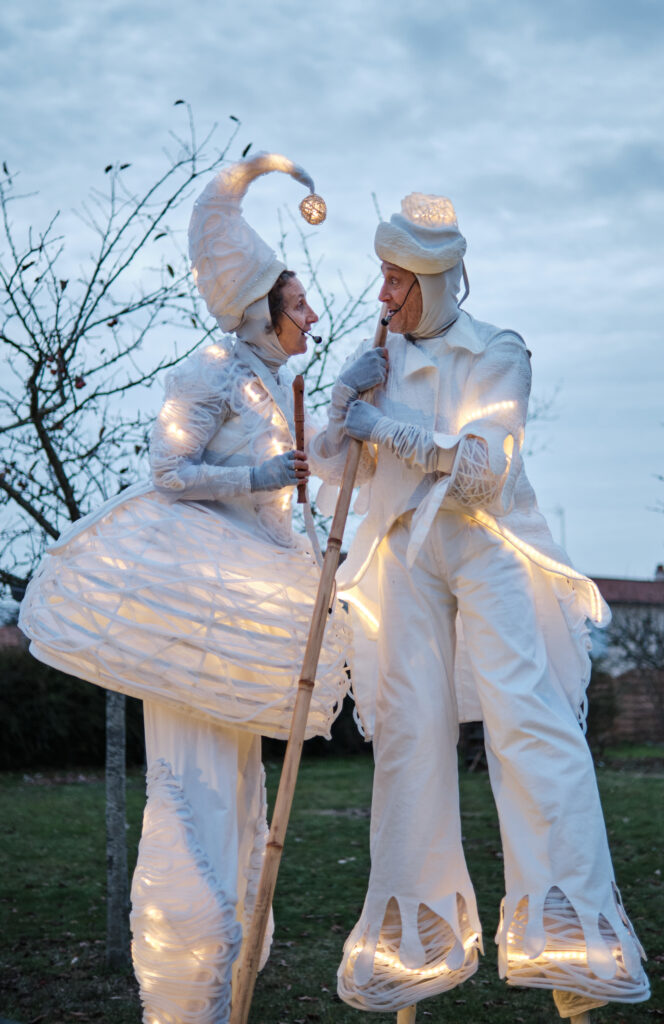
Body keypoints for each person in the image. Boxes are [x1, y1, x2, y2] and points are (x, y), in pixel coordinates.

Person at [19, 153, 351, 1024]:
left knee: (240, 802)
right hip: (194, 606)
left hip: (248, 611)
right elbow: (170, 472)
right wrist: (264, 475)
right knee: (189, 791)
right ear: (259, 308)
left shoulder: (282, 381)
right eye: (297, 301)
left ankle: (230, 975)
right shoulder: (207, 373)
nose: (310, 310)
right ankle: (182, 988)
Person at [309, 192, 650, 1019]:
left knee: (526, 723)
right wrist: (340, 405)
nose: (383, 295)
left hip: (487, 543)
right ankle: (413, 941)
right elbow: (327, 462)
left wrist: (382, 424)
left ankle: (571, 937)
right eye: (381, 278)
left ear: (435, 281)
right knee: (407, 732)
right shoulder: (376, 354)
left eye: (397, 281)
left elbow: (481, 471)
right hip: (403, 553)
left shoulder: (498, 351)